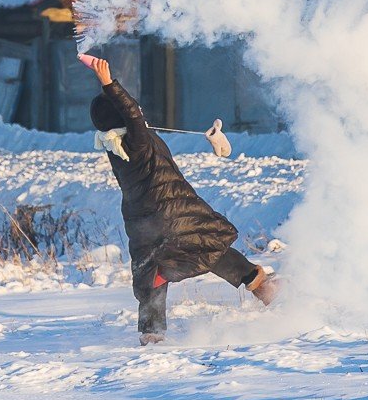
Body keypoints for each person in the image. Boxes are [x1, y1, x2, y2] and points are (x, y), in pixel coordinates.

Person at [79, 53, 277, 344]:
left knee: (152, 270)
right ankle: (260, 285)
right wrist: (109, 84)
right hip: (172, 211)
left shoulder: (116, 145)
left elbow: (132, 116)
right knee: (208, 244)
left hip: (142, 221)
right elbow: (132, 114)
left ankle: (152, 333)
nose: (140, 110)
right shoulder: (137, 141)